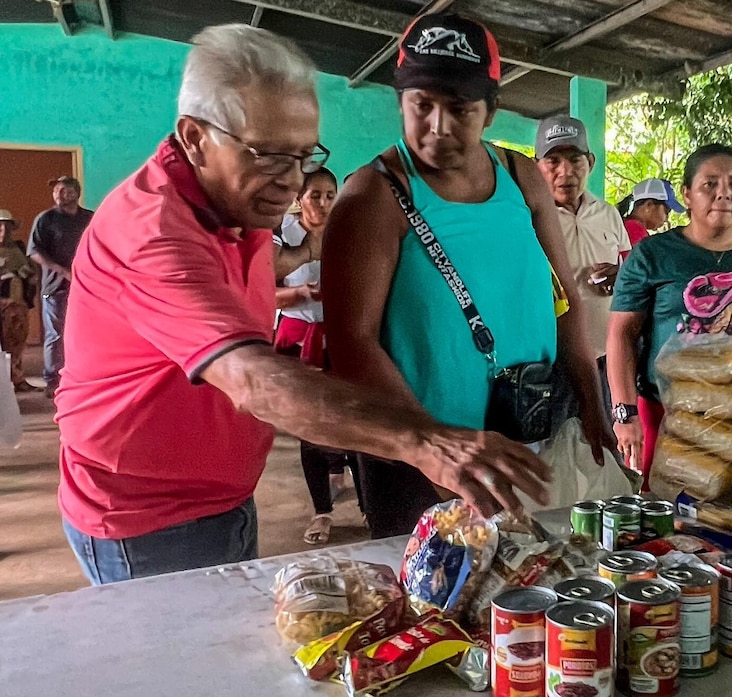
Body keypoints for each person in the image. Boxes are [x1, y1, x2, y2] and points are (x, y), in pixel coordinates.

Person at [55, 23, 551, 585]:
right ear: (194, 137)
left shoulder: (235, 203)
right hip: (145, 515)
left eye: (302, 155)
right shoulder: (153, 233)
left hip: (221, 493)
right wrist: (425, 443)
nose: (291, 182)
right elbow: (253, 380)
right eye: (268, 155)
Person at [322, 12, 612, 539]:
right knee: (433, 586)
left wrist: (593, 401)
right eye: (422, 105)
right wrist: (433, 448)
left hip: (527, 435)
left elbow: (564, 297)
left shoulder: (522, 178)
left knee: (532, 574)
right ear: (400, 100)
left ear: (491, 111)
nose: (438, 126)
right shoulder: (373, 196)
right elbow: (351, 344)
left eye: (460, 109)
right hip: (420, 466)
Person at [607, 144, 732, 488]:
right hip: (666, 414)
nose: (723, 193)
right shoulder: (652, 254)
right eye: (710, 184)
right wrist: (625, 414)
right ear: (687, 195)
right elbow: (622, 334)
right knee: (666, 506)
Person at [273, 167, 359, 545]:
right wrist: (297, 295)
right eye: (314, 195)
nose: (323, 203)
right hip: (299, 339)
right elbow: (263, 292)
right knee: (309, 425)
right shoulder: (283, 236)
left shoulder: (348, 232)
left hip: (341, 339)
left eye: (329, 196)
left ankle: (368, 502)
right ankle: (322, 511)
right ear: (299, 198)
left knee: (351, 422)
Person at [534, 115, 629, 425]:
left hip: (606, 357)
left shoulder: (609, 214)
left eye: (575, 159)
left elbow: (630, 271)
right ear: (536, 167)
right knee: (555, 443)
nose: (566, 172)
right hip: (553, 361)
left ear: (590, 162)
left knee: (606, 441)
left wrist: (620, 276)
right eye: (553, 161)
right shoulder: (528, 218)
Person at [27, 176, 94, 398]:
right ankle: (52, 380)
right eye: (56, 191)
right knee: (56, 335)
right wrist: (63, 271)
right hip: (55, 288)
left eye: (64, 190)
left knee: (85, 332)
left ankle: (82, 376)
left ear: (76, 193)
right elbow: (34, 252)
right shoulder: (45, 219)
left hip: (85, 287)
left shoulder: (89, 218)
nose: (59, 195)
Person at [0, 209, 41, 392]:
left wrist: (25, 275)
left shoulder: (18, 248)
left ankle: (17, 379)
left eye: (6, 227)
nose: (3, 231)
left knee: (15, 343)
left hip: (16, 305)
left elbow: (31, 273)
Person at [618, 178, 685, 253]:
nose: (666, 219)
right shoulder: (635, 229)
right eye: (667, 211)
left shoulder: (627, 225)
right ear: (649, 205)